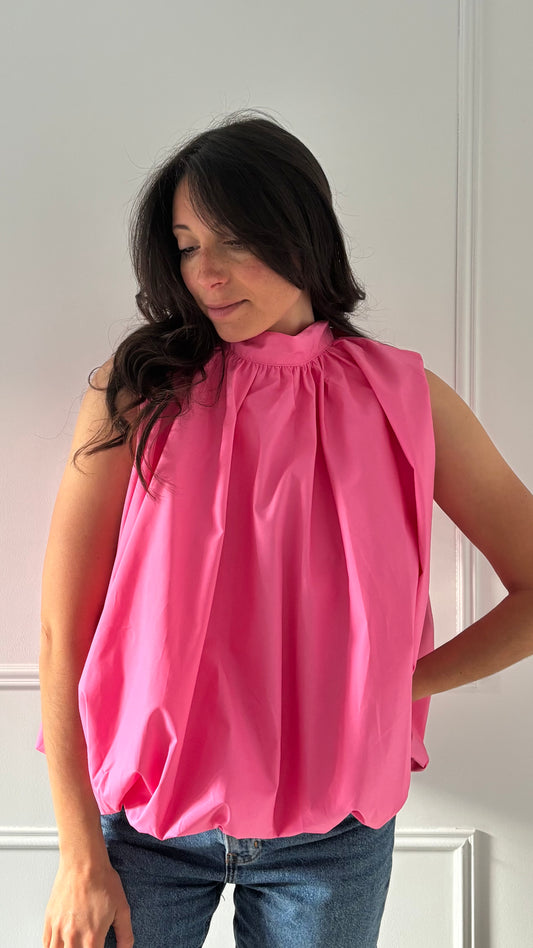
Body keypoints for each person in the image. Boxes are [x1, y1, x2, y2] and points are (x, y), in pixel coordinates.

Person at [37, 109, 533, 948]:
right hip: (142, 831)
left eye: (233, 242)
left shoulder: (406, 400)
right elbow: (63, 634)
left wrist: (399, 685)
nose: (206, 274)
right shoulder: (138, 391)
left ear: (301, 233)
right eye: (186, 246)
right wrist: (79, 855)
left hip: (334, 838)